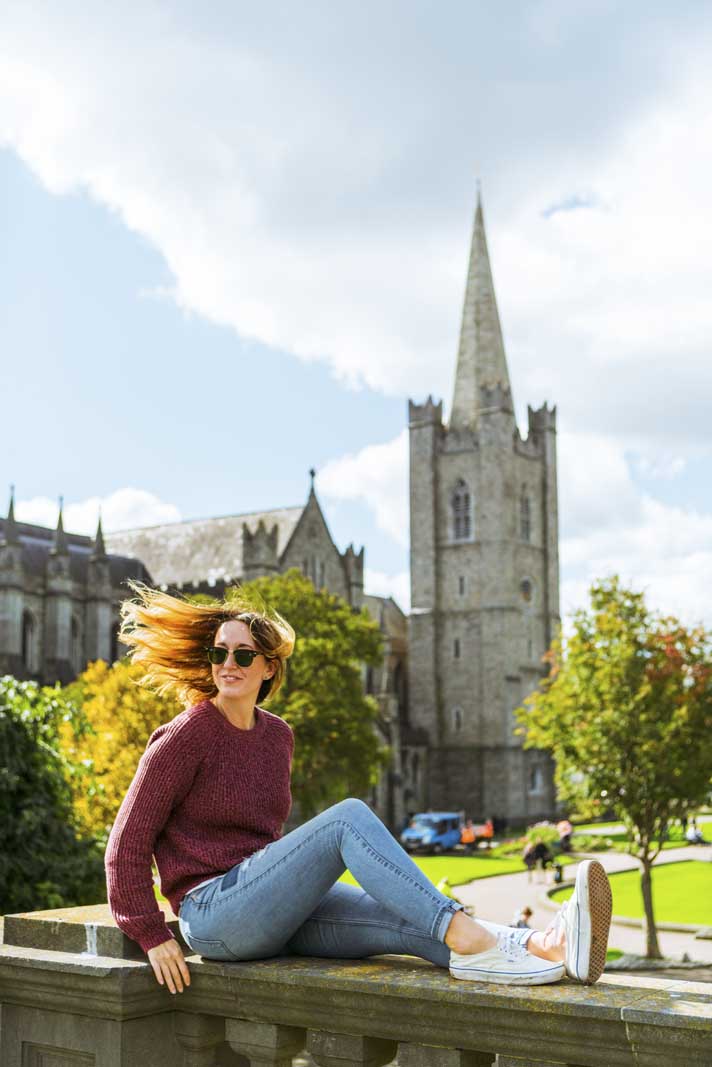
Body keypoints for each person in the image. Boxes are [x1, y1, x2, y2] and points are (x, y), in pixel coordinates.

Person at [106, 584, 613, 993]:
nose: (228, 664)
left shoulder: (277, 736)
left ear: (268, 668)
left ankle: (545, 947)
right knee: (347, 818)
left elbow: (265, 845)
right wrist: (152, 935)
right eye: (220, 652)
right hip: (214, 914)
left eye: (243, 654)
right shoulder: (187, 734)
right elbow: (125, 846)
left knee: (403, 917)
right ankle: (476, 936)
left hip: (267, 910)